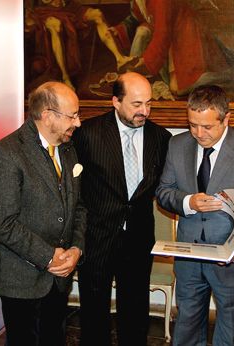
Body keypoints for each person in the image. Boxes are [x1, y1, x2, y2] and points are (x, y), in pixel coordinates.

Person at [156, 84, 234, 345]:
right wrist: (188, 202)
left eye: (207, 127)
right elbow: (164, 191)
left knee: (230, 333)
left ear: (226, 118)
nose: (198, 133)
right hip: (189, 253)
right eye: (193, 124)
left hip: (230, 258)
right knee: (186, 327)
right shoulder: (177, 144)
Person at [0, 81, 86, 346]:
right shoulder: (6, 153)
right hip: (21, 277)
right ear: (47, 115)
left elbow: (79, 206)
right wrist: (49, 255)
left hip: (59, 276)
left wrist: (76, 249)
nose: (78, 122)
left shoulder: (68, 148)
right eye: (72, 115)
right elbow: (2, 223)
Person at [72, 72, 171, 346]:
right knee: (94, 313)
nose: (145, 111)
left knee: (136, 311)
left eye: (149, 104)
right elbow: (73, 189)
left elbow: (164, 187)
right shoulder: (88, 134)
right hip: (97, 237)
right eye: (137, 104)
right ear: (116, 101)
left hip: (138, 238)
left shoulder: (160, 138)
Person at [25, 0, 135, 90]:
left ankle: (119, 58)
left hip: (68, 7)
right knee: (56, 26)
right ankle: (65, 77)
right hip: (45, 11)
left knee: (97, 14)